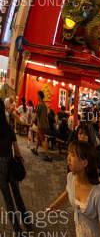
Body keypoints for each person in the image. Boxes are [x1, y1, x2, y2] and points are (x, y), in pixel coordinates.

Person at [48, 141, 100, 237]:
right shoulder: (71, 177)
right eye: (68, 153)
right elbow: (68, 190)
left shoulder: (98, 195)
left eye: (73, 155)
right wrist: (57, 203)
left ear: (85, 162)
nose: (68, 158)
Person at [0, 100, 29, 233]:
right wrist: (20, 158)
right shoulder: (8, 128)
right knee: (17, 194)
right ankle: (27, 221)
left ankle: (18, 230)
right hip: (11, 164)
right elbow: (16, 149)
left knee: (8, 200)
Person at [32, 91, 52, 162]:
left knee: (42, 139)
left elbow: (36, 114)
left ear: (40, 96)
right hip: (44, 124)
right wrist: (48, 125)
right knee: (38, 137)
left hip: (41, 124)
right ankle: (36, 150)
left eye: (37, 95)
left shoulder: (39, 104)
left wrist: (32, 121)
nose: (37, 96)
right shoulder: (44, 105)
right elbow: (46, 116)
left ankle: (48, 156)